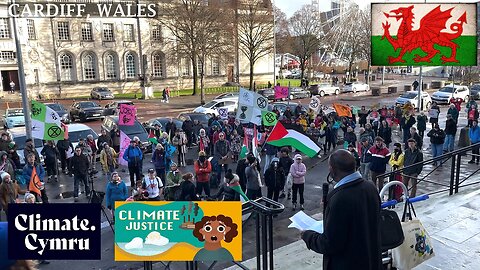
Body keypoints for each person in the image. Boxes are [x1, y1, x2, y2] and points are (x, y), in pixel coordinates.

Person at [301, 149, 381, 270]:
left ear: (332, 169)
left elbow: (330, 244)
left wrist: (307, 235)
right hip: (370, 260)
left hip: (347, 263)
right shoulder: (371, 187)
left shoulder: (339, 198)